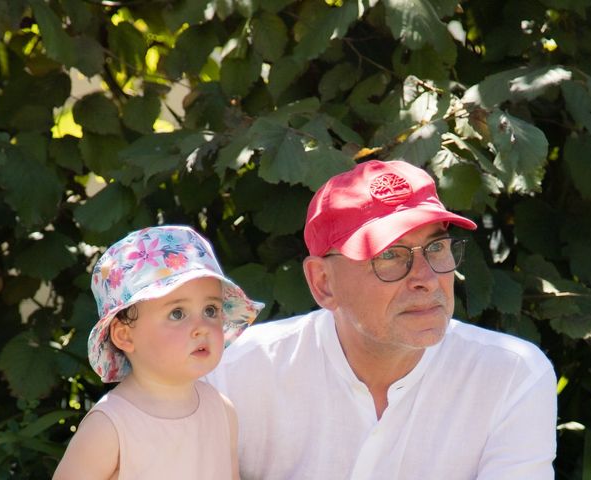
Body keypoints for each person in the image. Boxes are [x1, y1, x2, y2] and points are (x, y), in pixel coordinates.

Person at [208, 160, 557, 479]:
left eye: (436, 247)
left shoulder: (512, 375)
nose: (427, 277)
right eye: (389, 254)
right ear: (323, 283)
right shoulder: (234, 372)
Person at [54, 225, 263, 480]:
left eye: (210, 310)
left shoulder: (221, 410)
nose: (202, 328)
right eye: (177, 313)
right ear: (125, 335)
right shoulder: (110, 427)